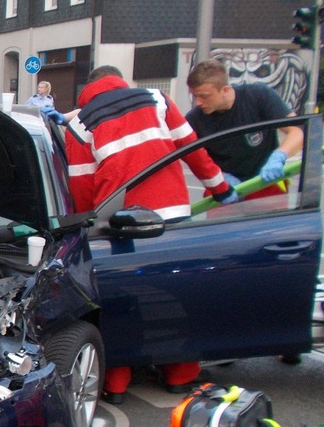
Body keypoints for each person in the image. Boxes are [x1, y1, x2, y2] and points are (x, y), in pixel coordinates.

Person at [65, 66, 240, 404]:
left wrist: (91, 227)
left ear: (88, 90)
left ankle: (116, 380)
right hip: (171, 216)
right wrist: (218, 187)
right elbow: (192, 148)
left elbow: (82, 185)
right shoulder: (157, 99)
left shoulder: (79, 124)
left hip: (118, 223)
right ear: (120, 81)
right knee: (175, 295)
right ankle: (179, 373)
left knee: (123, 301)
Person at [185, 58, 304, 200]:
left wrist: (279, 156)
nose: (198, 102)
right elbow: (194, 159)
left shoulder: (258, 96)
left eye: (204, 96)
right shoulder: (194, 120)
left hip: (264, 181)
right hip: (225, 188)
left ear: (225, 90)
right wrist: (220, 177)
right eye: (195, 96)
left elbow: (297, 131)